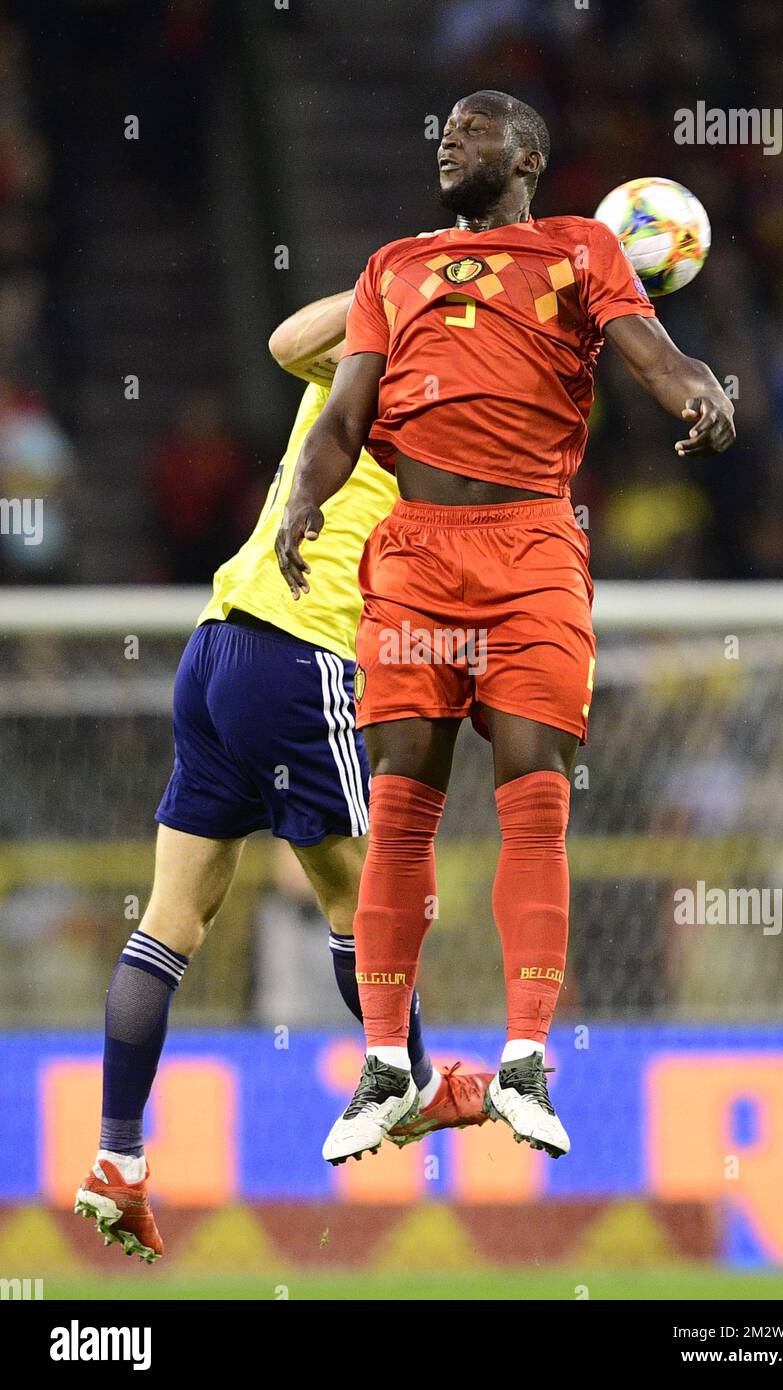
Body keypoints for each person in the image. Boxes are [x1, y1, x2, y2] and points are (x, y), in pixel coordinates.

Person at [276, 89, 735, 1165]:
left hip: (530, 554)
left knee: (533, 800)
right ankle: (388, 1062)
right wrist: (306, 491)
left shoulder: (579, 251)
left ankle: (524, 1058)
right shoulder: (393, 266)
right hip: (415, 553)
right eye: (442, 125)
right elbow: (345, 414)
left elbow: (655, 358)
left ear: (525, 156)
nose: (449, 136)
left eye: (475, 127)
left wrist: (704, 399)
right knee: (398, 808)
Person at [73, 291, 492, 1263]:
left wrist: (395, 283)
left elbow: (282, 340)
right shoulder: (463, 424)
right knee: (366, 903)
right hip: (301, 660)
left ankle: (116, 1159)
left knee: (170, 920)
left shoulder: (361, 364)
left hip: (217, 648)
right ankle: (412, 1082)